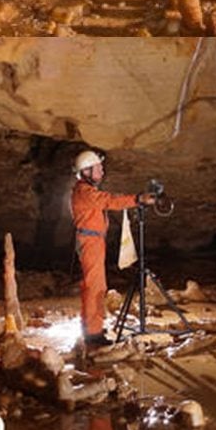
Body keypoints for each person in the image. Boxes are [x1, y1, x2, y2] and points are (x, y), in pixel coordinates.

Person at [70, 148, 155, 348]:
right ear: (87, 171)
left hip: (92, 241)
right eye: (98, 168)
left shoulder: (86, 191)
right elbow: (109, 201)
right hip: (90, 242)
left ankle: (90, 326)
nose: (102, 172)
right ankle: (93, 333)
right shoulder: (85, 192)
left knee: (92, 286)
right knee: (95, 288)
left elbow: (108, 199)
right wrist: (137, 199)